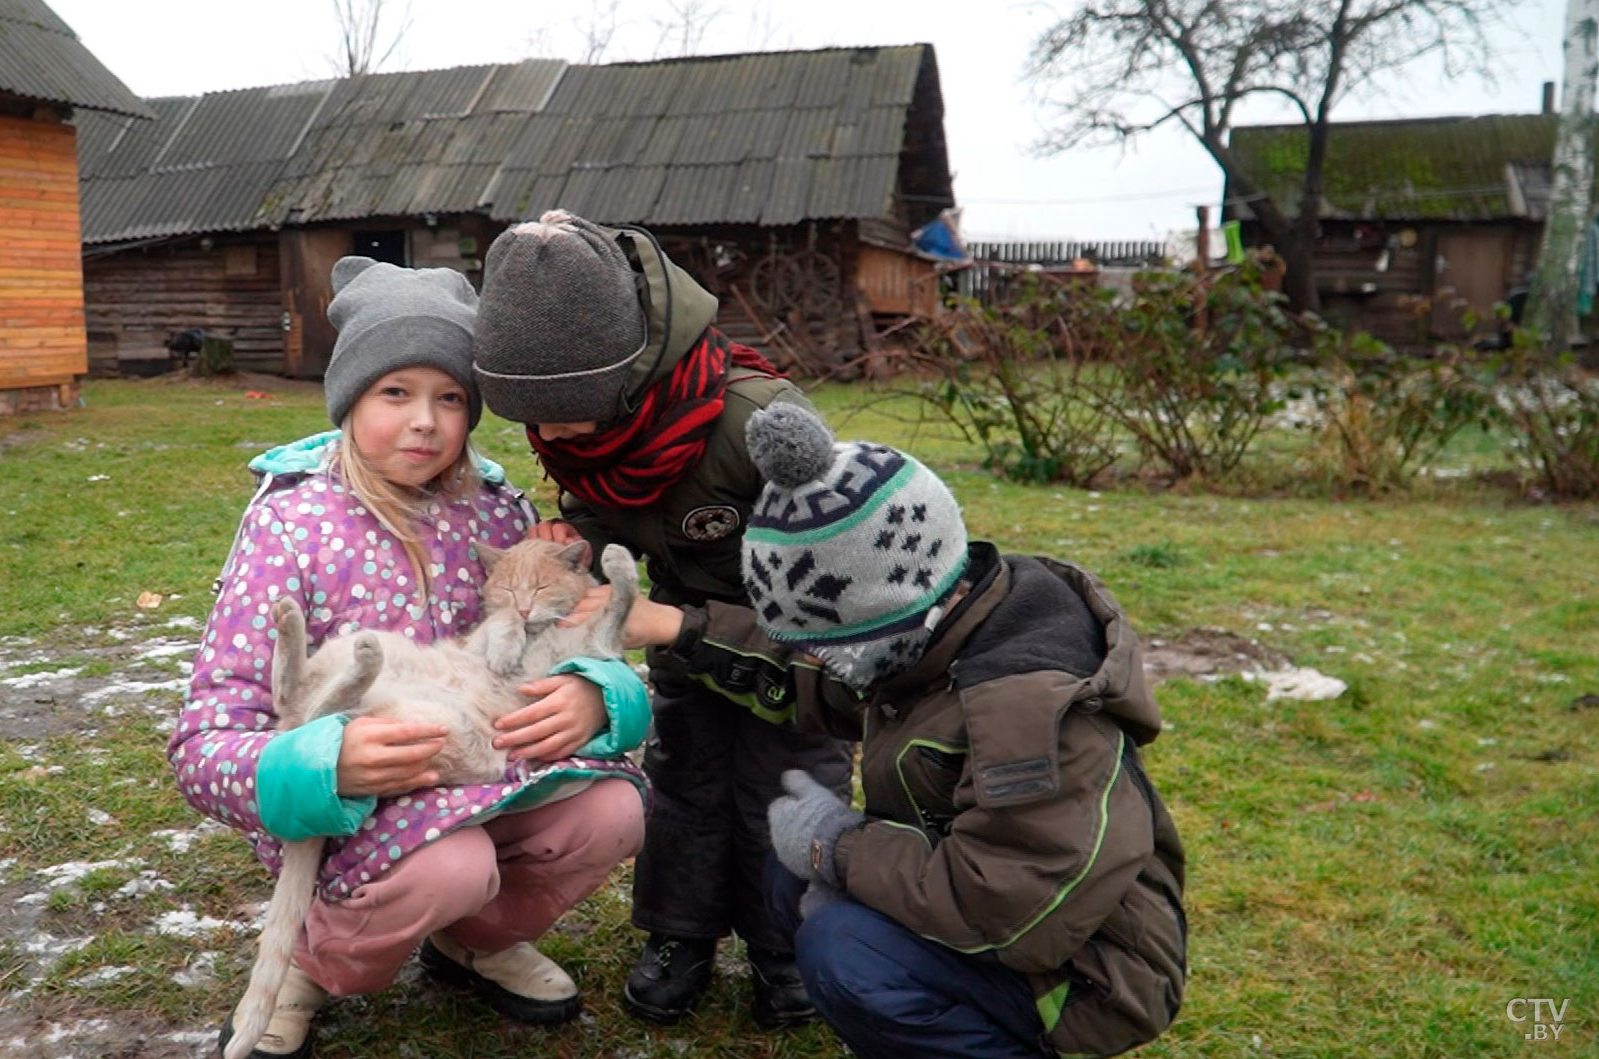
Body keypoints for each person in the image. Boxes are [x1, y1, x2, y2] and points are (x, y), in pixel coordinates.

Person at [169, 257, 650, 1059]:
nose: (425, 421)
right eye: (395, 392)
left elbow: (552, 643)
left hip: (482, 769)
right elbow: (205, 740)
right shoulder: (291, 525)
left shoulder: (497, 516)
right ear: (350, 397)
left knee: (614, 811)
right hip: (353, 808)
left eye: (450, 396)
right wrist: (327, 762)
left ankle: (475, 940)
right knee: (450, 865)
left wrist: (599, 696)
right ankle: (310, 962)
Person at [618, 401, 1189, 1059]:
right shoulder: (941, 622)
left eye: (825, 643)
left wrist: (837, 843)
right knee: (790, 874)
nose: (815, 660)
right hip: (994, 907)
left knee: (843, 950)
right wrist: (680, 629)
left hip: (1084, 972)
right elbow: (815, 674)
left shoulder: (1026, 715)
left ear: (884, 616)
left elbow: (1007, 909)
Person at [469, 210, 852, 1027]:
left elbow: (841, 601)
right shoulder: (590, 431)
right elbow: (617, 509)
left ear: (627, 373)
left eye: (570, 408)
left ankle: (786, 946)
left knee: (787, 787)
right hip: (683, 645)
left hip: (795, 660)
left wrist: (676, 623)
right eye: (530, 417)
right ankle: (680, 934)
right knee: (686, 781)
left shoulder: (759, 425)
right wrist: (582, 537)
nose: (551, 434)